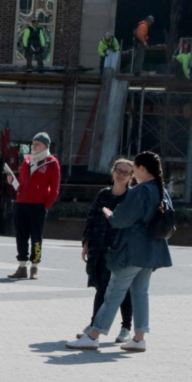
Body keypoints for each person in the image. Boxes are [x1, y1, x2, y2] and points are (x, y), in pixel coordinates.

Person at [67, 151, 172, 353]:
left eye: (133, 168)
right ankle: (139, 338)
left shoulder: (141, 191)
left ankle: (93, 335)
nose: (132, 172)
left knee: (114, 292)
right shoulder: (161, 190)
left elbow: (120, 220)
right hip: (152, 250)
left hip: (133, 249)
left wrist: (109, 213)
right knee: (140, 293)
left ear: (141, 169)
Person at [77, 158, 135, 342]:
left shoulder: (132, 197)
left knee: (123, 289)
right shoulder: (103, 194)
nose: (121, 174)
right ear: (113, 171)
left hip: (121, 250)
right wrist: (86, 243)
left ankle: (126, 328)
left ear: (131, 176)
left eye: (126, 172)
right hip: (100, 248)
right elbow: (91, 218)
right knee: (101, 288)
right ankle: (94, 325)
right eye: (119, 170)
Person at [6, 132, 60, 280]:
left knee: (36, 237)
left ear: (45, 146)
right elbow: (23, 183)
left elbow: (54, 188)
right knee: (21, 235)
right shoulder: (27, 160)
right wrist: (12, 182)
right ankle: (22, 266)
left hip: (38, 205)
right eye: (33, 143)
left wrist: (45, 206)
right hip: (21, 203)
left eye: (38, 144)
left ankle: (35, 266)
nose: (34, 146)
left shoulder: (51, 162)